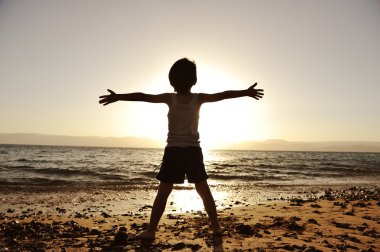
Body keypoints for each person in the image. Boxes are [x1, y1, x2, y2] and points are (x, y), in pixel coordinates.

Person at [99, 58, 264, 240]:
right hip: (193, 152)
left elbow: (143, 96)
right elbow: (223, 95)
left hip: (174, 152)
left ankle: (151, 230)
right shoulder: (198, 98)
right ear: (194, 81)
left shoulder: (170, 98)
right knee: (203, 190)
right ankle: (216, 227)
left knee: (164, 191)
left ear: (172, 81)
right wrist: (246, 92)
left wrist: (118, 96)